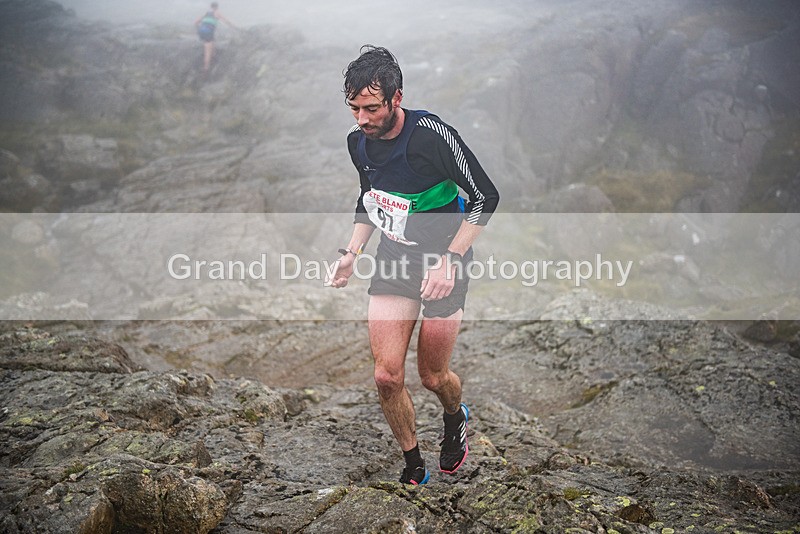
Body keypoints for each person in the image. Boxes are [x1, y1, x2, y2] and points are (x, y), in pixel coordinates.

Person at [328, 46, 500, 485]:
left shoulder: (431, 137)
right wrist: (351, 254)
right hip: (395, 261)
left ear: (396, 98)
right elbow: (370, 200)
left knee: (432, 375)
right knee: (386, 375)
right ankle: (413, 464)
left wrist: (450, 259)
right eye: (354, 108)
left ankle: (453, 414)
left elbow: (485, 196)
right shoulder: (358, 142)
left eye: (370, 108)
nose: (362, 119)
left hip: (446, 260)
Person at [194, 2, 237, 73]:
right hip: (208, 31)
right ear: (217, 7)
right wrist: (234, 26)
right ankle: (206, 68)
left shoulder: (206, 13)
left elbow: (195, 22)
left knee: (211, 42)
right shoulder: (217, 13)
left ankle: (213, 55)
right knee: (207, 50)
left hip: (201, 30)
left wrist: (199, 29)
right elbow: (226, 21)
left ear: (211, 7)